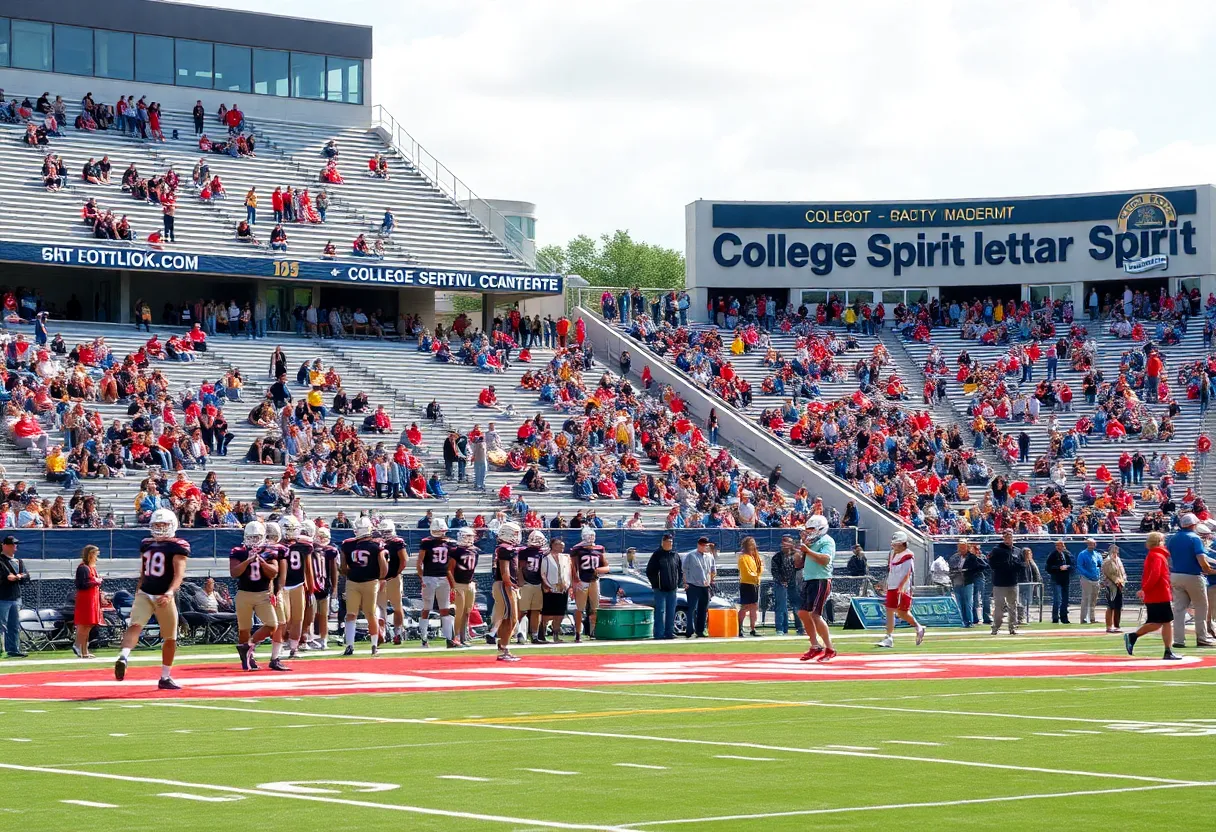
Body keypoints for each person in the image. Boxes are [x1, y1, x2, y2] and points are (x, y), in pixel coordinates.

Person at [114, 509, 188, 689]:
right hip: (163, 595)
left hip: (145, 592)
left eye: (163, 525)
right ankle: (165, 677)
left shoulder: (146, 543)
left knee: (135, 625)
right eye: (157, 525)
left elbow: (142, 572)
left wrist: (138, 591)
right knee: (170, 638)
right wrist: (170, 592)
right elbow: (179, 575)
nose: (161, 529)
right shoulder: (177, 545)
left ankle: (124, 655)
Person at [230, 520, 288, 673]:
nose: (254, 540)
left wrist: (261, 561)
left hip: (263, 594)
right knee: (244, 629)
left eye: (257, 537)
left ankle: (248, 645)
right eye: (251, 537)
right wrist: (248, 561)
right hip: (244, 593)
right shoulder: (238, 551)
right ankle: (247, 659)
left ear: (263, 536)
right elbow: (234, 573)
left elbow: (274, 572)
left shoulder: (269, 551)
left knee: (272, 624)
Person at [1125, 531, 1182, 661]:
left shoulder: (1154, 555)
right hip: (1159, 594)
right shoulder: (1157, 556)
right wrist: (1145, 589)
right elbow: (1155, 575)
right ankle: (1167, 650)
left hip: (1156, 594)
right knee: (1166, 622)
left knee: (1157, 623)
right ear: (1159, 542)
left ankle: (1133, 636)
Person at [1166, 512, 1215, 648]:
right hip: (1193, 575)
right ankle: (1202, 637)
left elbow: (1168, 559)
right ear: (1193, 525)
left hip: (1176, 575)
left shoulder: (1172, 538)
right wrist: (1208, 570)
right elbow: (1201, 560)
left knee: (1179, 609)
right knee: (1201, 607)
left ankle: (1178, 640)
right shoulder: (1194, 538)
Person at [340, 515, 387, 656]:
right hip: (370, 582)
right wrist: (381, 578)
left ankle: (350, 646)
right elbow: (383, 566)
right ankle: (373, 646)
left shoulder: (347, 544)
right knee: (370, 614)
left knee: (351, 614)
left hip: (353, 582)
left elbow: (343, 566)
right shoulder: (376, 545)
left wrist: (349, 573)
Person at [795, 514, 836, 661]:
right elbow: (798, 564)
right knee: (802, 612)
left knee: (815, 614)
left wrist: (808, 550)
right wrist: (799, 551)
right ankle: (815, 645)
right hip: (809, 579)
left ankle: (830, 648)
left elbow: (825, 560)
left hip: (821, 579)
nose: (809, 532)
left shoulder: (827, 541)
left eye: (812, 529)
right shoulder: (811, 542)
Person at [877, 530, 925, 648]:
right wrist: (887, 584)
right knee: (901, 613)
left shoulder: (908, 555)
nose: (893, 546)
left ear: (902, 543)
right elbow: (892, 572)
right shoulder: (893, 554)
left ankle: (889, 637)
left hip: (901, 588)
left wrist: (899, 588)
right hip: (893, 587)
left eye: (896, 544)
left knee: (892, 610)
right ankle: (918, 627)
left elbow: (907, 573)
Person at [417, 518, 456, 648]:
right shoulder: (429, 543)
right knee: (428, 608)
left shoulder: (446, 543)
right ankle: (424, 638)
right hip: (431, 576)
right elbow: (419, 562)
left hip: (442, 577)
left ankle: (449, 639)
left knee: (444, 608)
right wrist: (422, 577)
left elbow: (419, 563)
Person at [569, 526, 608, 640]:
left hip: (594, 581)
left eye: (592, 535)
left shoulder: (600, 548)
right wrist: (575, 581)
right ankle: (578, 633)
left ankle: (593, 631)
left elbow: (606, 566)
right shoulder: (577, 549)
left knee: (595, 608)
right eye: (588, 535)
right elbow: (573, 566)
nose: (590, 538)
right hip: (582, 580)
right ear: (583, 536)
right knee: (579, 608)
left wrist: (599, 570)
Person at [492, 521, 523, 661]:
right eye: (515, 533)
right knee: (511, 617)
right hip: (505, 585)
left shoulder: (507, 548)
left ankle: (503, 646)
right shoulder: (505, 548)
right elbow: (504, 571)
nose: (517, 536)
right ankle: (503, 648)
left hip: (508, 584)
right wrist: (509, 584)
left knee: (510, 618)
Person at [646, 533, 683, 639]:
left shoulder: (675, 555)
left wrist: (677, 583)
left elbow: (680, 571)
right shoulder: (657, 555)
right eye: (667, 541)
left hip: (672, 589)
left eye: (671, 541)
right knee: (660, 612)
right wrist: (656, 584)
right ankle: (659, 634)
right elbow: (650, 571)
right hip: (660, 590)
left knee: (671, 611)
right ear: (663, 542)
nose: (669, 543)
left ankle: (669, 632)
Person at [0, 535, 31, 658]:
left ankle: (13, 649)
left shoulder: (19, 562)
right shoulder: (1, 561)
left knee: (14, 625)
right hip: (3, 598)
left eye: (15, 545)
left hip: (15, 597)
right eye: (12, 545)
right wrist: (8, 578)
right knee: (2, 625)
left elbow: (27, 576)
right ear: (4, 546)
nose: (14, 547)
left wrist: (19, 577)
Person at [769, 536, 804, 636]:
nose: (785, 545)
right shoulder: (777, 557)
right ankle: (781, 628)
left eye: (788, 543)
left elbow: (800, 568)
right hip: (780, 584)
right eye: (784, 543)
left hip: (795, 584)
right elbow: (774, 571)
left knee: (797, 606)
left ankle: (800, 627)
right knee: (781, 607)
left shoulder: (796, 555)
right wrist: (782, 580)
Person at [682, 537, 716, 638]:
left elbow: (713, 570)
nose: (705, 547)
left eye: (706, 545)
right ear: (698, 545)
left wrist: (711, 580)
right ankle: (689, 630)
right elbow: (684, 570)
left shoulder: (709, 556)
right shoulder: (690, 556)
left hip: (705, 587)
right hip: (693, 585)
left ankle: (700, 630)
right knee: (692, 608)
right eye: (703, 545)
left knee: (703, 609)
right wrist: (685, 583)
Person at [73, 545, 103, 658]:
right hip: (86, 600)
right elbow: (81, 584)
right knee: (84, 624)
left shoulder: (92, 568)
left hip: (93, 599)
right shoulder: (83, 568)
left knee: (89, 625)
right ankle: (77, 645)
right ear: (90, 555)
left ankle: (85, 652)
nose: (96, 558)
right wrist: (96, 582)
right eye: (95, 555)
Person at [518, 530, 548, 644]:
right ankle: (517, 633)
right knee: (522, 611)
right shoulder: (524, 552)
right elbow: (520, 568)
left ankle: (534, 636)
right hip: (527, 584)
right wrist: (521, 581)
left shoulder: (542, 553)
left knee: (536, 610)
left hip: (537, 584)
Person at [987, 530, 1019, 636]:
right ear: (1003, 537)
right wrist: (1004, 566)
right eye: (1006, 536)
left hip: (1013, 582)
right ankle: (995, 627)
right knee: (999, 607)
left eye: (1010, 536)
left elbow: (1021, 564)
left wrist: (1017, 566)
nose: (1008, 539)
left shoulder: (1017, 551)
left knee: (1013, 606)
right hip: (999, 583)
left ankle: (1012, 627)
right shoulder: (997, 550)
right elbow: (992, 563)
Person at [539, 537, 570, 642]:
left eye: (562, 545)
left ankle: (556, 634)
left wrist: (567, 584)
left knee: (560, 613)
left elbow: (568, 572)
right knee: (547, 613)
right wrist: (547, 585)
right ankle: (542, 633)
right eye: (558, 544)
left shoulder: (565, 558)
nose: (561, 546)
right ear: (552, 545)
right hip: (551, 588)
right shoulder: (546, 558)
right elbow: (543, 574)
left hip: (563, 588)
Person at [736, 536, 764, 637]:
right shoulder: (743, 558)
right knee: (745, 606)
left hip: (755, 584)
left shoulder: (755, 557)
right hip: (746, 584)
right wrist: (755, 576)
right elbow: (747, 572)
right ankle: (739, 627)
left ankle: (753, 628)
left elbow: (760, 568)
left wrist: (757, 576)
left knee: (754, 606)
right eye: (751, 544)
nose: (753, 545)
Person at [1045, 539, 1074, 624]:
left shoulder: (1067, 554)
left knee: (1065, 599)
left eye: (1061, 545)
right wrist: (1058, 568)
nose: (1059, 547)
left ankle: (1064, 618)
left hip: (1065, 579)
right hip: (1056, 579)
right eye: (1057, 546)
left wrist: (1068, 567)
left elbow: (1073, 565)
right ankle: (1055, 618)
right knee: (1057, 599)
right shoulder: (1052, 555)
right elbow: (1048, 568)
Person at [1076, 538, 1103, 625]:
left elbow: (1100, 566)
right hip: (1086, 579)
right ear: (1087, 544)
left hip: (1096, 579)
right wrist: (1088, 574)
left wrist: (1099, 576)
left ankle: (1092, 618)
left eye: (1093, 544)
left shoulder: (1097, 555)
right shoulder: (1082, 554)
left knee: (1094, 599)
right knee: (1086, 598)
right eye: (1090, 544)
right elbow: (1080, 566)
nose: (1091, 545)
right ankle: (1083, 619)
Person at [1102, 544, 1126, 634]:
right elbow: (1109, 573)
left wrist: (1122, 581)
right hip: (1111, 585)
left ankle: (1117, 625)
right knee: (1111, 606)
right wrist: (1117, 581)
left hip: (1119, 585)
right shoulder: (1107, 561)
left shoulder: (1118, 560)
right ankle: (1109, 626)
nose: (1115, 552)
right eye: (1114, 551)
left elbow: (1122, 571)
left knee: (1118, 606)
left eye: (1116, 551)